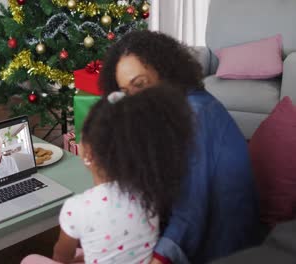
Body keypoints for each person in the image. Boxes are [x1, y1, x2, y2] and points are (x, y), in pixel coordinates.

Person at [98, 30, 260, 264]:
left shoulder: (194, 115)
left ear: (165, 71)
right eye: (126, 92)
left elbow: (190, 213)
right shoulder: (172, 107)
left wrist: (157, 258)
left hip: (221, 244)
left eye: (140, 84)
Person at [21, 85, 194, 264]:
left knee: (30, 259)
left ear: (87, 153)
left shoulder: (76, 208)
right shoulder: (151, 194)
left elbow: (61, 256)